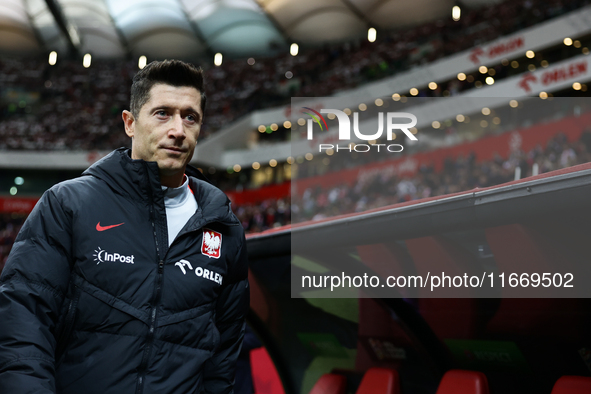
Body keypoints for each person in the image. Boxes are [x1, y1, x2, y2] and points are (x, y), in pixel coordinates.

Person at [0, 59, 249, 394]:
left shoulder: (224, 228)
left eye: (190, 117)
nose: (178, 129)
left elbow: (223, 358)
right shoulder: (69, 204)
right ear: (130, 123)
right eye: (163, 113)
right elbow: (24, 320)